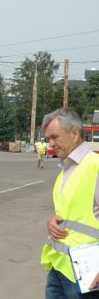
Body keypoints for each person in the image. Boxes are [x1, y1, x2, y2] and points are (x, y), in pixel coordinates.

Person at [40, 108, 99, 298]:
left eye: (55, 137)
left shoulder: (94, 166)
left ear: (74, 133)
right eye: (49, 138)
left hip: (87, 274)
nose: (51, 143)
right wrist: (53, 223)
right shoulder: (65, 170)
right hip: (60, 267)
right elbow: (74, 214)